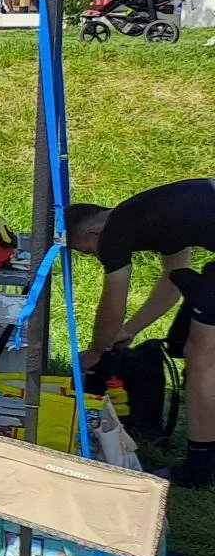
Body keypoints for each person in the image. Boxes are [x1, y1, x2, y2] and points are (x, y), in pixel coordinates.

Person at [70, 180, 215, 486]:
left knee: (202, 354)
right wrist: (128, 331)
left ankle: (201, 468)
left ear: (94, 233)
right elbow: (172, 281)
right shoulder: (154, 214)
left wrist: (96, 351)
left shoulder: (114, 232)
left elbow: (113, 304)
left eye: (87, 252)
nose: (96, 257)